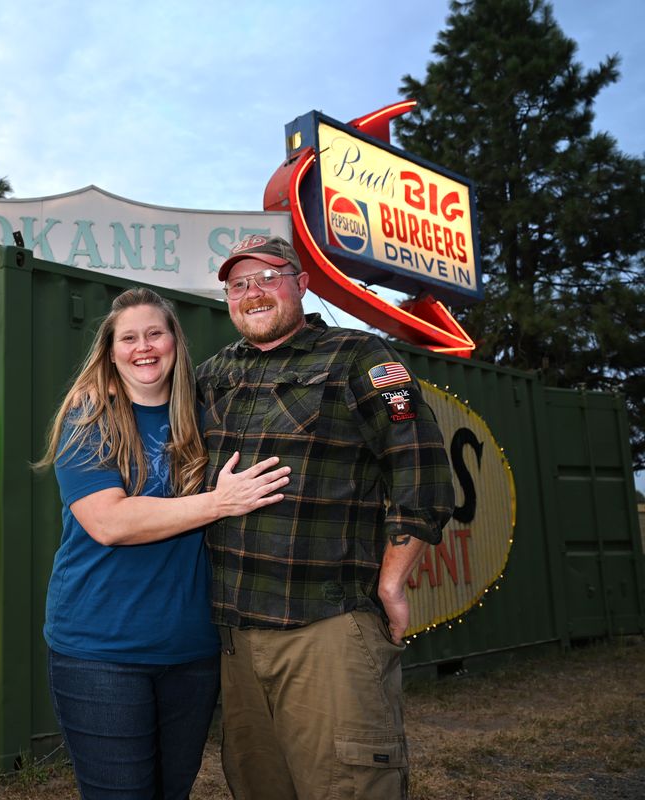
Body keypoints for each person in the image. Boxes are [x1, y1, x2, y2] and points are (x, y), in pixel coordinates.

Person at [196, 235, 454, 800]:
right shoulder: (213, 373)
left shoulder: (360, 356)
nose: (253, 292)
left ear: (301, 283)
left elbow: (422, 468)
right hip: (235, 637)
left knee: (349, 786)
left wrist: (392, 581)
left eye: (268, 277)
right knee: (258, 786)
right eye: (238, 284)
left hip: (327, 628)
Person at [38, 286, 291, 800]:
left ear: (176, 341)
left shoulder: (206, 420)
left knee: (172, 791)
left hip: (191, 648)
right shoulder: (89, 420)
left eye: (155, 333)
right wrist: (219, 502)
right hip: (101, 648)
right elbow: (108, 522)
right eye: (129, 338)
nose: (144, 347)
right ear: (111, 353)